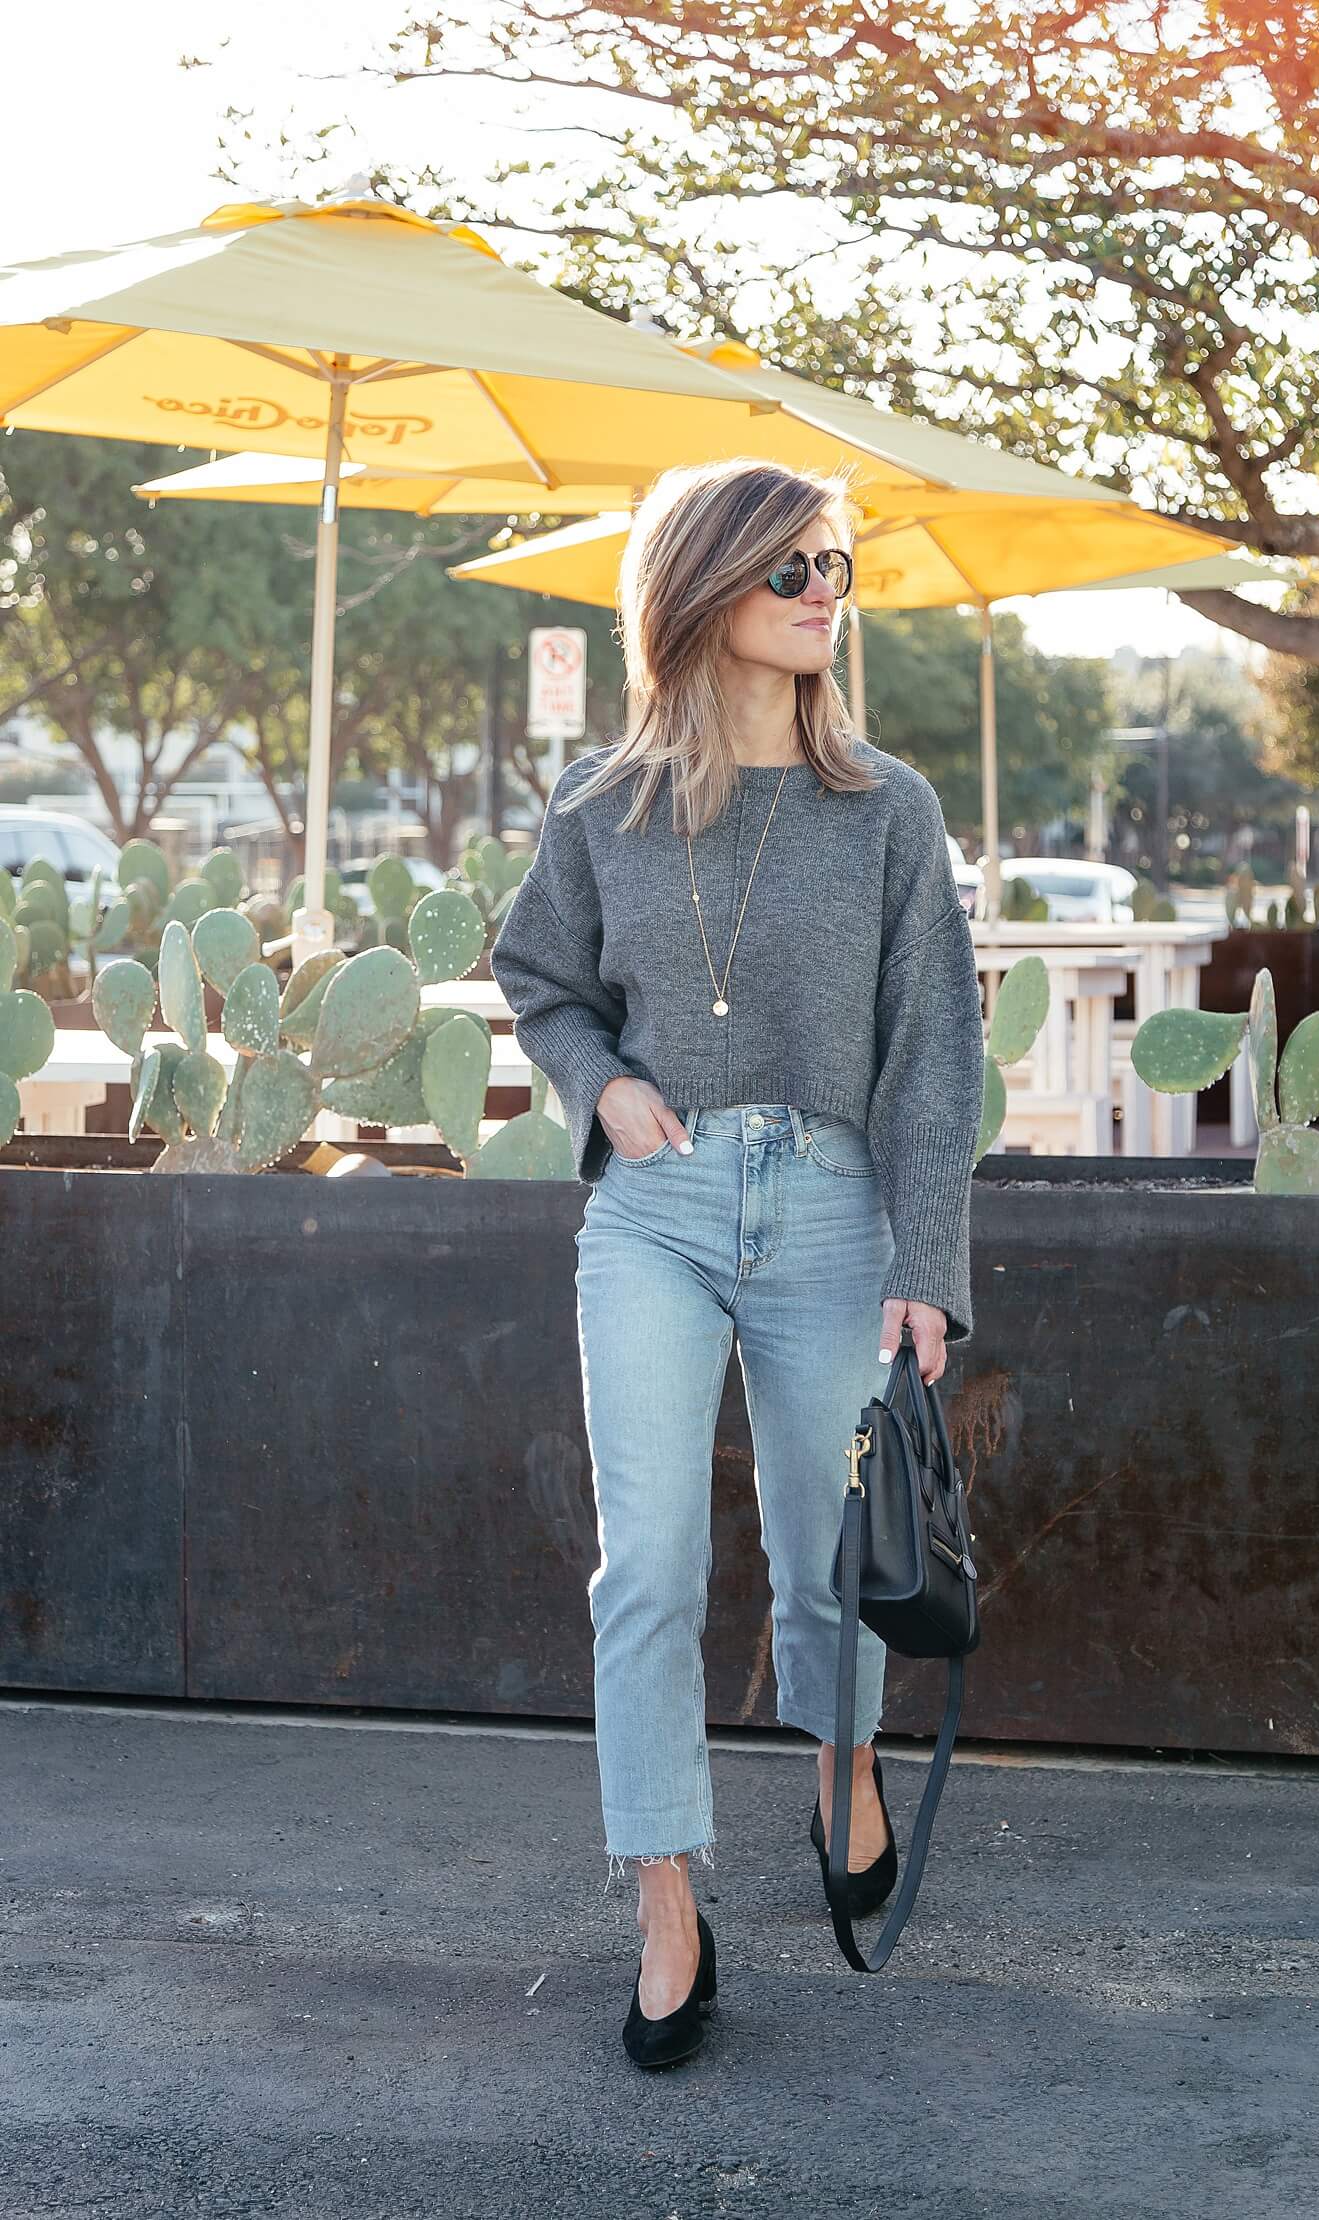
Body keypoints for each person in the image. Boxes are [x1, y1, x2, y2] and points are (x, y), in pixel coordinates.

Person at [489, 457, 985, 2067]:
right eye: (791, 572)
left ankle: (838, 1773)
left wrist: (929, 1262)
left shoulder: (887, 811)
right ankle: (665, 1899)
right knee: (645, 1571)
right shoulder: (599, 805)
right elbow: (536, 976)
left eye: (837, 566)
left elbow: (935, 1055)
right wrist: (603, 1087)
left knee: (823, 1562)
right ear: (703, 590)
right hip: (659, 1207)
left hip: (836, 1207)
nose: (823, 594)